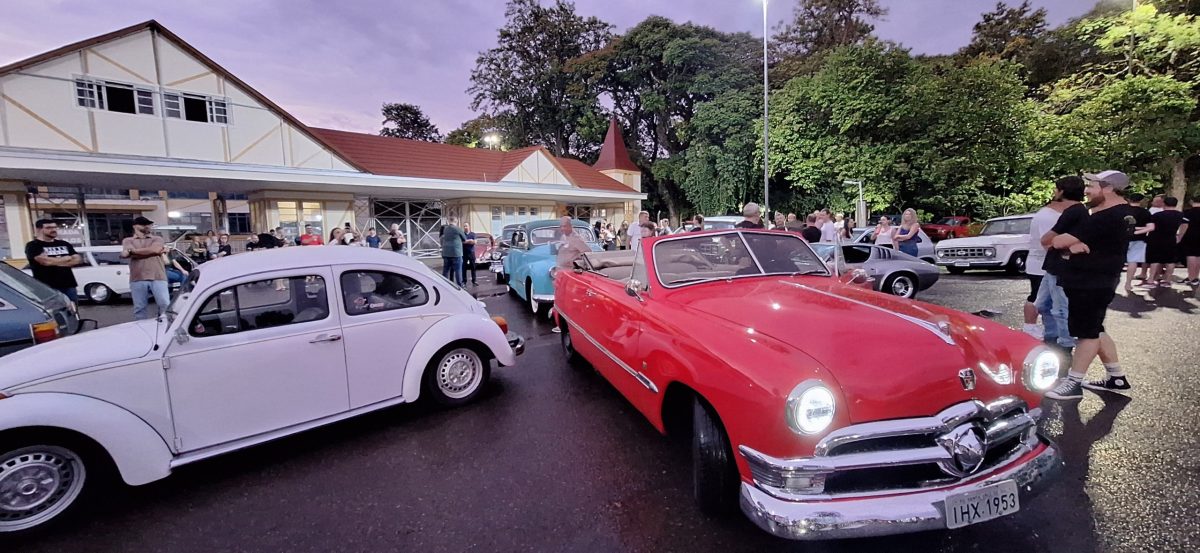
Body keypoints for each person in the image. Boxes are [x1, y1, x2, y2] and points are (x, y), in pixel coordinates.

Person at [1045, 171, 1135, 400]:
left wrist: (1068, 245)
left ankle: (1073, 383)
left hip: (1090, 282)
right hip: (1101, 280)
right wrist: (1074, 245)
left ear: (1108, 188)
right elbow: (1071, 243)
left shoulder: (1104, 217)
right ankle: (1116, 377)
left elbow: (1056, 240)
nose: (1086, 191)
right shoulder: (1126, 214)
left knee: (1087, 334)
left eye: (1091, 186)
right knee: (1096, 328)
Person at [1037, 176, 1086, 356]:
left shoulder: (1074, 212)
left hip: (1062, 267)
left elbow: (1046, 239)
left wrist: (1058, 242)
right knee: (1042, 304)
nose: (1054, 192)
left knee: (1060, 309)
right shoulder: (1075, 211)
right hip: (1053, 265)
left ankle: (1064, 346)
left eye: (1056, 189)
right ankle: (1051, 337)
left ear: (1062, 191)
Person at [121, 217, 169, 321]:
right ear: (135, 226)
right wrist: (151, 252)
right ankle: (141, 330)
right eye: (143, 224)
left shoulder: (157, 238)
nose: (146, 226)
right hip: (137, 277)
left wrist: (133, 252)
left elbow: (155, 249)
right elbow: (125, 253)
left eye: (148, 224)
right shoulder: (128, 240)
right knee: (139, 308)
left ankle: (165, 326)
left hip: (158, 276)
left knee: (164, 304)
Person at [25, 219, 81, 304]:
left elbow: (77, 260)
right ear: (39, 229)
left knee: (73, 312)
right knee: (54, 313)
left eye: (55, 227)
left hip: (69, 285)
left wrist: (53, 261)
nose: (53, 230)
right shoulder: (33, 245)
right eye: (49, 228)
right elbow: (44, 262)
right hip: (47, 287)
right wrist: (66, 258)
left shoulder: (64, 244)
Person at [1145, 196, 1189, 288]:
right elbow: (1185, 224)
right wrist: (1180, 236)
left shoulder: (1157, 215)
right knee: (1170, 260)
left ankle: (1151, 279)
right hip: (1171, 239)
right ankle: (1167, 280)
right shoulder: (1180, 215)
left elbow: (1150, 226)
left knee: (1155, 260)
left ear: (1164, 204)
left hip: (1156, 239)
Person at [1120, 192, 1154, 292]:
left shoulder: (1122, 210)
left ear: (1129, 199)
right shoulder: (1145, 212)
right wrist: (1137, 231)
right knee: (1133, 261)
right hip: (1139, 239)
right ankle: (1128, 283)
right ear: (1141, 200)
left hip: (1121, 238)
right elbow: (1151, 227)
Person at [440, 217, 467, 286]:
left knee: (446, 270)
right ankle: (460, 285)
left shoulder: (445, 229)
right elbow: (464, 239)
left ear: (449, 221)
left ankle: (443, 284)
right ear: (456, 222)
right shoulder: (457, 229)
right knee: (458, 270)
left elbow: (442, 238)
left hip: (446, 252)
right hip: (456, 252)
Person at [1182, 197, 1200, 286]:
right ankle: (1196, 277)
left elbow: (1184, 225)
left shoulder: (1188, 212)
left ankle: (1191, 277)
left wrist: (1180, 237)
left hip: (1190, 235)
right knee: (1198, 256)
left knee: (1191, 255)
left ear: (1192, 201)